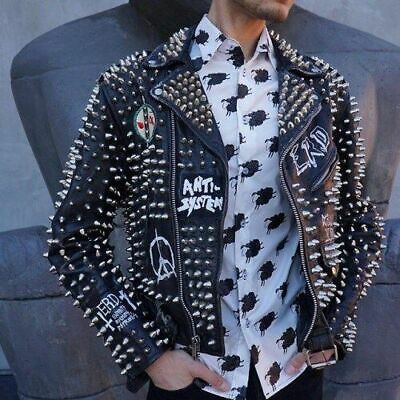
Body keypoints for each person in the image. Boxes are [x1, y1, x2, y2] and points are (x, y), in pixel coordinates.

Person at [45, 0, 385, 399]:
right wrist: (148, 353)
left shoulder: (319, 88)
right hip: (191, 378)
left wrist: (331, 328)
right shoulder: (133, 87)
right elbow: (73, 240)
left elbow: (360, 226)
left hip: (292, 373)